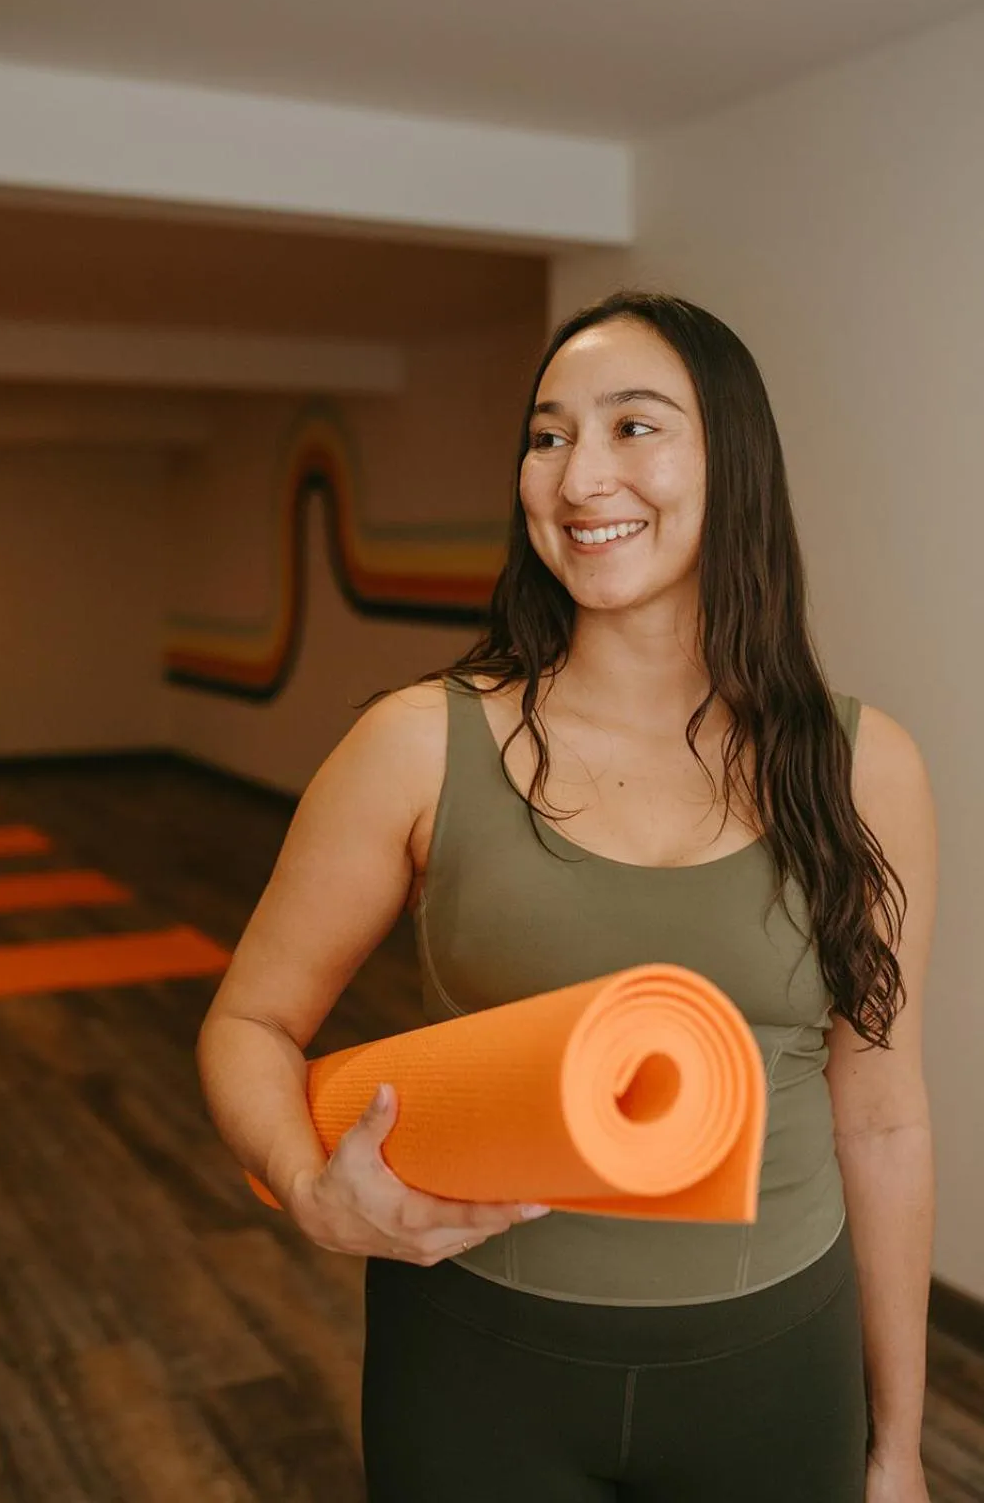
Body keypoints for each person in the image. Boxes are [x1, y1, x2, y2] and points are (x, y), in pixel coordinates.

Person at [196, 291, 937, 1502]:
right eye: (545, 437)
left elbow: (882, 1115)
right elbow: (248, 1025)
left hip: (774, 1364)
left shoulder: (865, 767)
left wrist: (897, 1445)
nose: (577, 475)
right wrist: (309, 1185)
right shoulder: (415, 745)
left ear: (731, 463)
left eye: (632, 427)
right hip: (480, 1364)